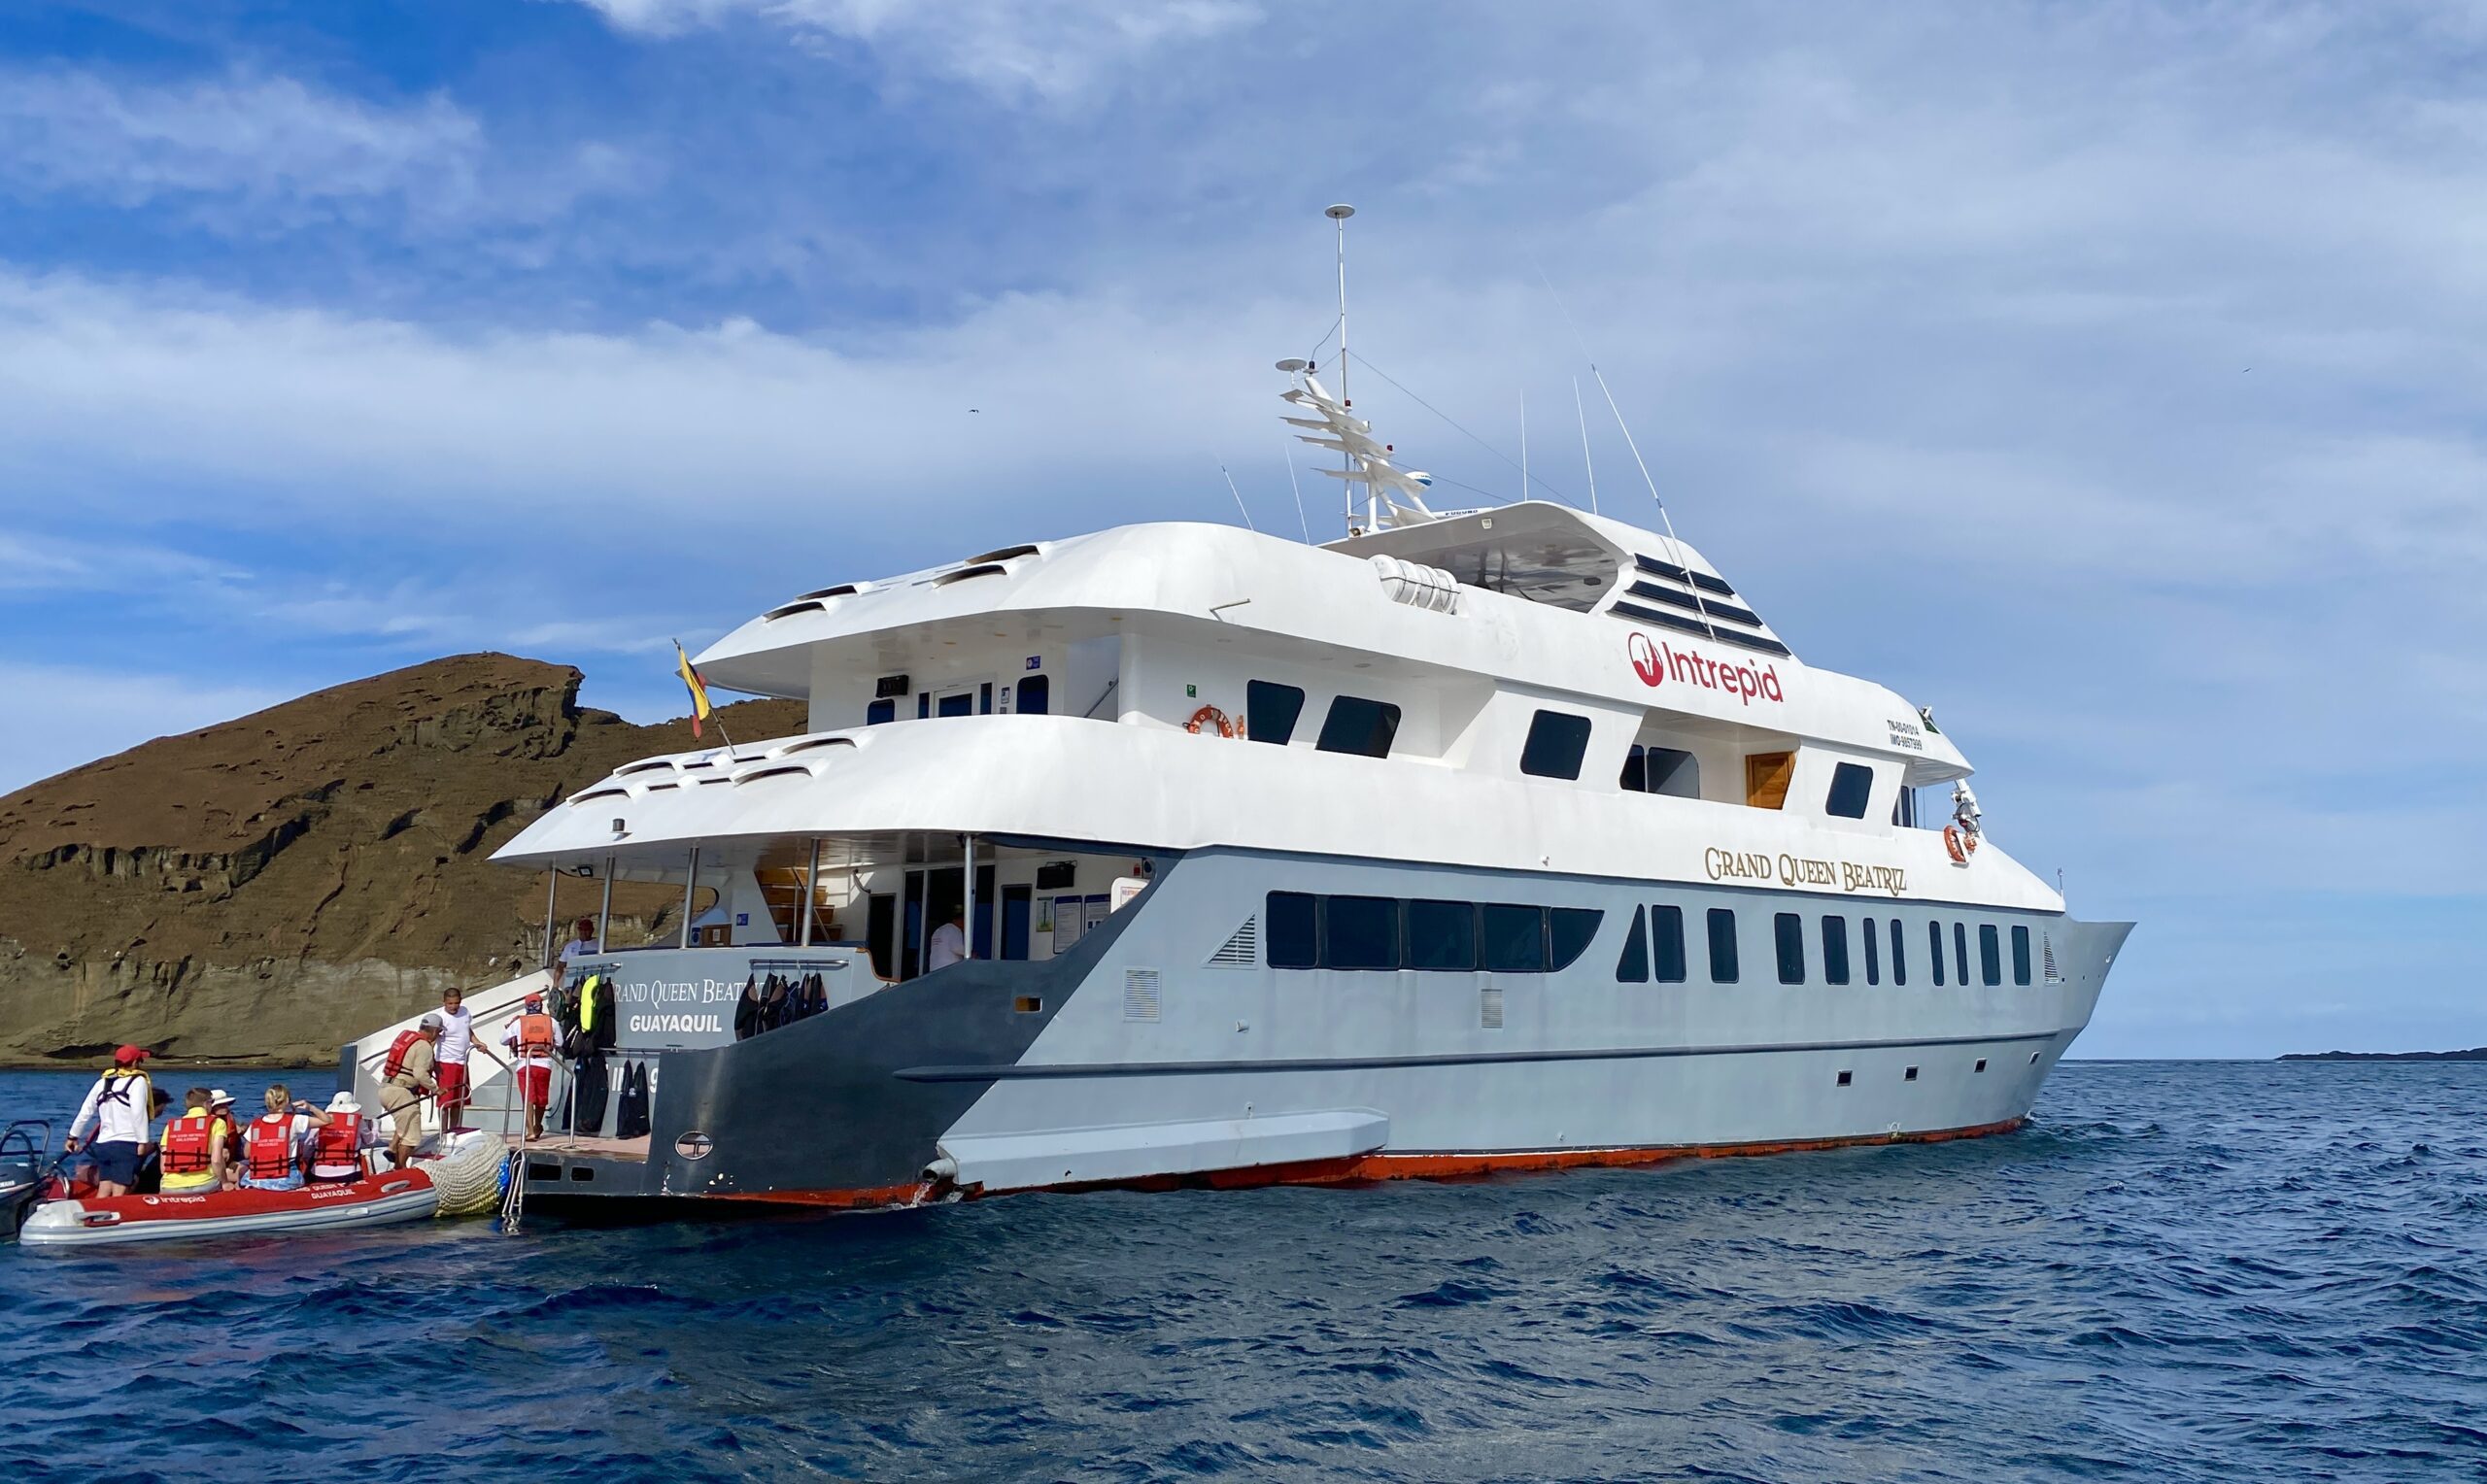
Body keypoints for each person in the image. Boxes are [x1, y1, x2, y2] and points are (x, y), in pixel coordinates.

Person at [64, 1045, 155, 1198]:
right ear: (134, 1063)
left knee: (105, 1188)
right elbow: (138, 1113)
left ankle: (93, 1218)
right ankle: (113, 1220)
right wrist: (143, 1141)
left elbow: (85, 1112)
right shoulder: (138, 1081)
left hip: (103, 1144)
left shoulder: (102, 1083)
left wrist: (72, 1137)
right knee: (121, 1191)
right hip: (126, 1143)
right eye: (140, 1060)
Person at [237, 1084, 330, 1192]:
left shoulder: (255, 1124)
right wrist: (310, 1107)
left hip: (257, 1178)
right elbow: (327, 1121)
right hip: (287, 1177)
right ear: (287, 1101)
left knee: (242, 1176)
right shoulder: (295, 1120)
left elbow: (247, 1153)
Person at [378, 1015, 442, 1166]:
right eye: (438, 1032)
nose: (438, 1035)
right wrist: (436, 1089)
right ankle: (398, 1170)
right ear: (433, 1031)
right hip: (400, 1092)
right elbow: (420, 1074)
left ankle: (393, 1149)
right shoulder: (424, 1046)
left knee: (406, 1124)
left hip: (385, 1089)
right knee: (412, 1137)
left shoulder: (409, 1038)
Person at [500, 992, 560, 1142]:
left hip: (524, 1065)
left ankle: (530, 1131)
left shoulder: (518, 1022)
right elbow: (560, 1042)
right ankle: (538, 1125)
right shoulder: (551, 1021)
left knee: (528, 1098)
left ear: (526, 1006)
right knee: (541, 1098)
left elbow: (503, 1040)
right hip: (545, 1064)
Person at [157, 1088, 226, 1193]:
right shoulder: (217, 1123)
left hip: (170, 1187)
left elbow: (163, 1167)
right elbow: (216, 1160)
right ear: (206, 1104)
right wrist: (226, 1183)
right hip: (204, 1184)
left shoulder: (171, 1127)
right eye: (212, 1102)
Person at [433, 986, 476, 1130]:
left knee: (459, 1100)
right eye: (450, 1003)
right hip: (446, 1063)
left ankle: (455, 1129)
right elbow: (432, 1039)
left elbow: (467, 1030)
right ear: (444, 1002)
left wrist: (477, 1042)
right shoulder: (441, 1018)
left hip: (462, 1062)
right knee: (445, 1100)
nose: (453, 1006)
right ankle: (443, 1131)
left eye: (456, 1003)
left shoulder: (465, 1012)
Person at [306, 1091, 371, 1183]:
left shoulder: (320, 1120)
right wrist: (375, 1126)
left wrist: (307, 1160)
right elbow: (370, 1140)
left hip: (319, 1172)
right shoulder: (358, 1121)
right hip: (349, 1172)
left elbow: (307, 1146)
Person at [558, 917, 601, 981]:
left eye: (586, 929)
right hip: (572, 979)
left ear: (592, 930)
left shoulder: (599, 946)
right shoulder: (569, 946)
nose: (583, 931)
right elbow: (561, 966)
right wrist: (555, 984)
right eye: (581, 929)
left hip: (591, 979)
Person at [928, 905, 968, 971]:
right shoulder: (955, 930)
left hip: (934, 967)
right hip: (948, 968)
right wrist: (970, 953)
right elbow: (957, 948)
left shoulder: (938, 930)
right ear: (961, 920)